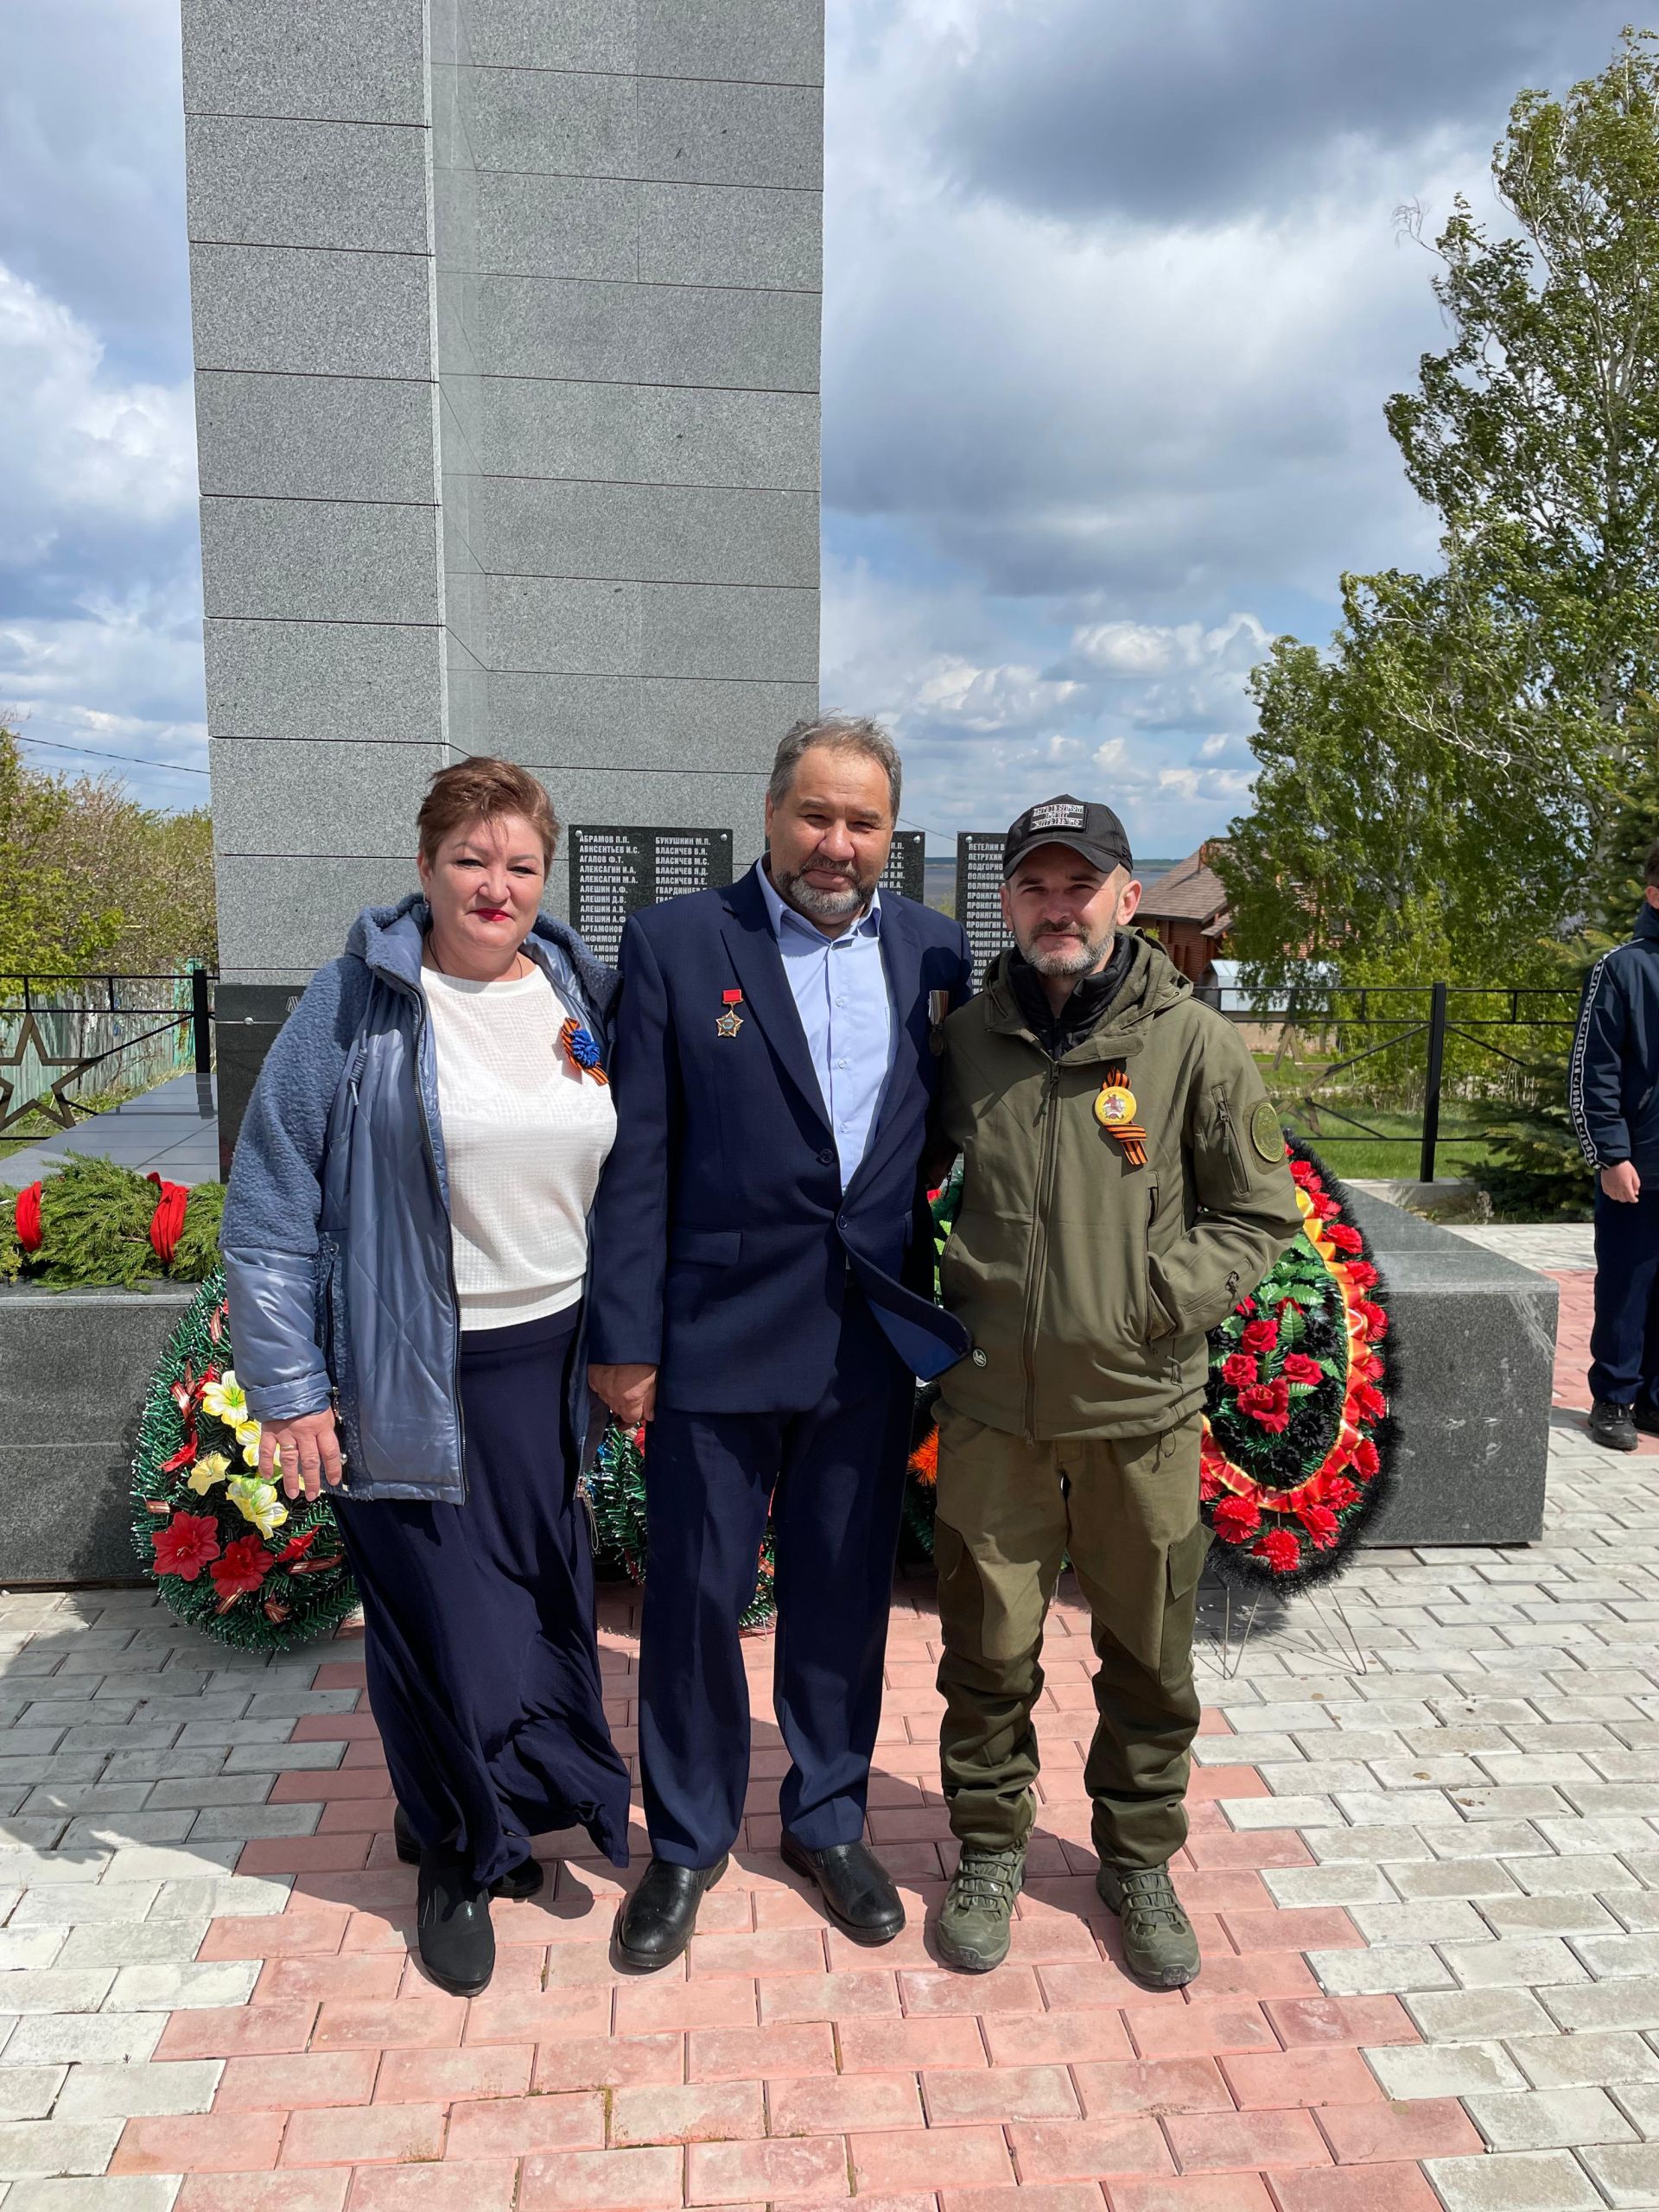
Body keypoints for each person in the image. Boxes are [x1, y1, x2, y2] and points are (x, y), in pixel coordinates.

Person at [219, 757, 632, 1998]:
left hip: (547, 1361)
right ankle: (455, 1856)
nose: (494, 885)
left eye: (518, 864)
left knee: (528, 1602)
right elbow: (271, 1197)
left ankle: (494, 1803)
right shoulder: (356, 1001)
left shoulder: (577, 988)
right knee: (434, 1624)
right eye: (470, 859)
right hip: (407, 1357)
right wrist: (289, 1384)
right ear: (424, 866)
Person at [588, 714, 973, 1969]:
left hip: (863, 1343)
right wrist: (625, 1339)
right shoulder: (678, 944)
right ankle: (689, 1841)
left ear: (889, 835)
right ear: (769, 815)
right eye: (817, 814)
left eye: (863, 822)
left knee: (842, 1593)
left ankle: (826, 1816)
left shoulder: (931, 952)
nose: (838, 843)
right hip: (710, 1337)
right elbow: (638, 1159)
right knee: (693, 1601)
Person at [927, 796, 1302, 1985]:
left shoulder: (1192, 1044)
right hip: (994, 1417)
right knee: (988, 1657)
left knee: (1148, 1658)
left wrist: (1150, 1305)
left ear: (1126, 899)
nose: (1058, 907)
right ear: (1008, 903)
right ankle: (989, 1849)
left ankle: (1136, 1861)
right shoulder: (969, 1040)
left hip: (1139, 1417)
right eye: (1034, 886)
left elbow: (1256, 1212)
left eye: (1079, 885)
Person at [1570, 838, 1659, 1452]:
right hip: (1639, 1165)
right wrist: (1611, 1154)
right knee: (1627, 1285)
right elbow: (1592, 1069)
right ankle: (1615, 1399)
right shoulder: (1622, 968)